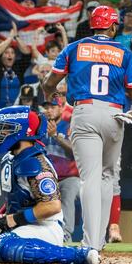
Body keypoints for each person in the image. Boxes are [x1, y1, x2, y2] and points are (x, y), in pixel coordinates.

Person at [40, 6, 132, 252]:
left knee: (89, 178)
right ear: (112, 27)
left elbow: (51, 82)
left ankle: (90, 244)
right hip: (113, 114)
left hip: (85, 112)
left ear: (93, 26)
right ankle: (99, 241)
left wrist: (50, 93)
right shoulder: (124, 52)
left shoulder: (73, 48)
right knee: (108, 177)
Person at [0, 107, 99, 264]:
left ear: (19, 132)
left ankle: (78, 254)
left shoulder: (36, 162)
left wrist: (10, 220)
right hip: (21, 226)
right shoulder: (11, 158)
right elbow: (17, 197)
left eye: (4, 129)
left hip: (45, 228)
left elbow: (52, 206)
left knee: (5, 245)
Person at [41, 95, 81, 240]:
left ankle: (66, 234)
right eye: (46, 107)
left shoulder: (70, 125)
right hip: (48, 176)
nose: (49, 110)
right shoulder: (40, 127)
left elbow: (76, 151)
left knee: (67, 198)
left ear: (61, 108)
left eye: (53, 107)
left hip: (69, 176)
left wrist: (56, 136)